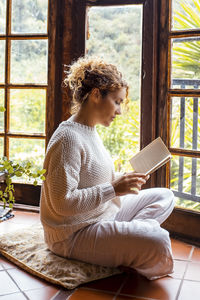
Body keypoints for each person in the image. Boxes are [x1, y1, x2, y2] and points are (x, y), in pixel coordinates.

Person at [40, 56, 175, 280]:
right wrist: (114, 189)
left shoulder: (89, 131)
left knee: (165, 195)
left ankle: (128, 239)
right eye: (117, 101)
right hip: (72, 234)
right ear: (95, 95)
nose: (119, 110)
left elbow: (94, 179)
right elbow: (62, 202)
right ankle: (132, 238)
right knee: (159, 240)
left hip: (103, 214)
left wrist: (125, 180)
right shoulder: (67, 139)